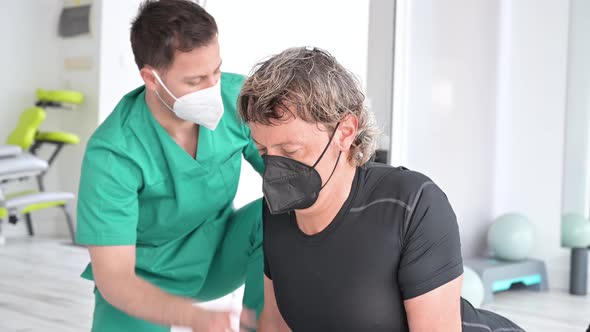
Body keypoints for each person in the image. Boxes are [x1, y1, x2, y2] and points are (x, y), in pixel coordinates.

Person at [237, 46, 525, 331]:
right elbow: (275, 325)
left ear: (345, 132)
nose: (275, 169)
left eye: (291, 150)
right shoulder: (277, 211)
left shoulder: (414, 203)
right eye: (264, 151)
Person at [76, 1, 263, 331]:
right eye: (195, 81)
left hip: (219, 255)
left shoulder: (239, 98)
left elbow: (290, 179)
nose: (213, 88)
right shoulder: (112, 154)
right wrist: (193, 318)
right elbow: (115, 277)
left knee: (278, 213)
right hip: (142, 281)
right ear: (151, 77)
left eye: (216, 71)